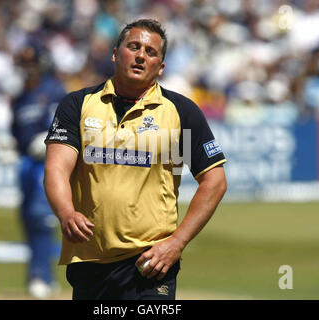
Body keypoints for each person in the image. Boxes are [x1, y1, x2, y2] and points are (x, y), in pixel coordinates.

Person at [44, 19, 227, 300]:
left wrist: (176, 243)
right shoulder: (78, 104)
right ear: (116, 54)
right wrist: (66, 213)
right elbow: (57, 167)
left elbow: (214, 180)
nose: (141, 55)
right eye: (134, 47)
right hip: (89, 261)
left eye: (151, 52)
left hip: (151, 264)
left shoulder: (181, 111)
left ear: (161, 67)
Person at [11, 44, 66, 298]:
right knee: (28, 220)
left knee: (42, 218)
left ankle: (41, 276)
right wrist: (10, 148)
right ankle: (39, 274)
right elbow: (17, 136)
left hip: (47, 163)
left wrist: (47, 139)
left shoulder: (53, 89)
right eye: (24, 64)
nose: (28, 69)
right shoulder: (19, 97)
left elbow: (63, 124)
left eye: (32, 63)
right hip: (25, 165)